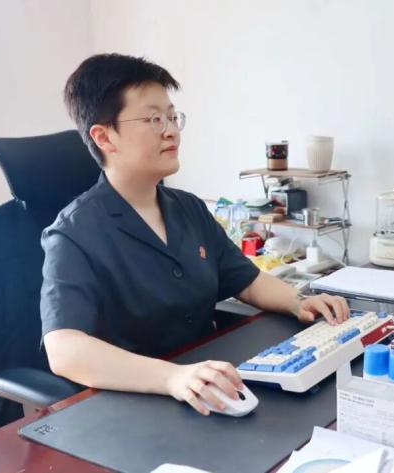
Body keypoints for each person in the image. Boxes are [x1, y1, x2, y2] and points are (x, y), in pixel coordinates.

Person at [41, 53, 349, 416]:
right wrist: (172, 377)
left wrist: (298, 301)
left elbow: (246, 280)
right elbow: (64, 350)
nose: (171, 130)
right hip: (135, 405)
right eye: (154, 119)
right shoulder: (74, 233)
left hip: (210, 386)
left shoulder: (187, 208)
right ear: (104, 136)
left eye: (172, 117)